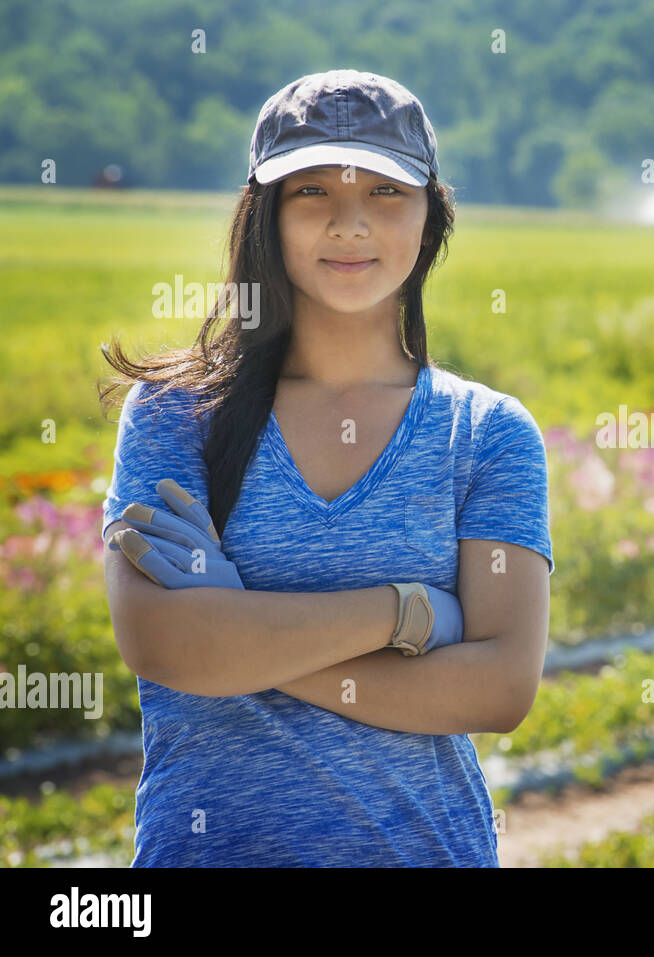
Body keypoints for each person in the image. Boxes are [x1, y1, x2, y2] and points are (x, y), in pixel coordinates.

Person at [98, 69, 553, 867]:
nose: (350, 225)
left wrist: (242, 633)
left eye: (385, 192)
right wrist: (407, 613)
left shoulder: (486, 434)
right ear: (264, 217)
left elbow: (499, 688)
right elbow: (166, 643)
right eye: (312, 192)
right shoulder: (175, 415)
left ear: (431, 216)